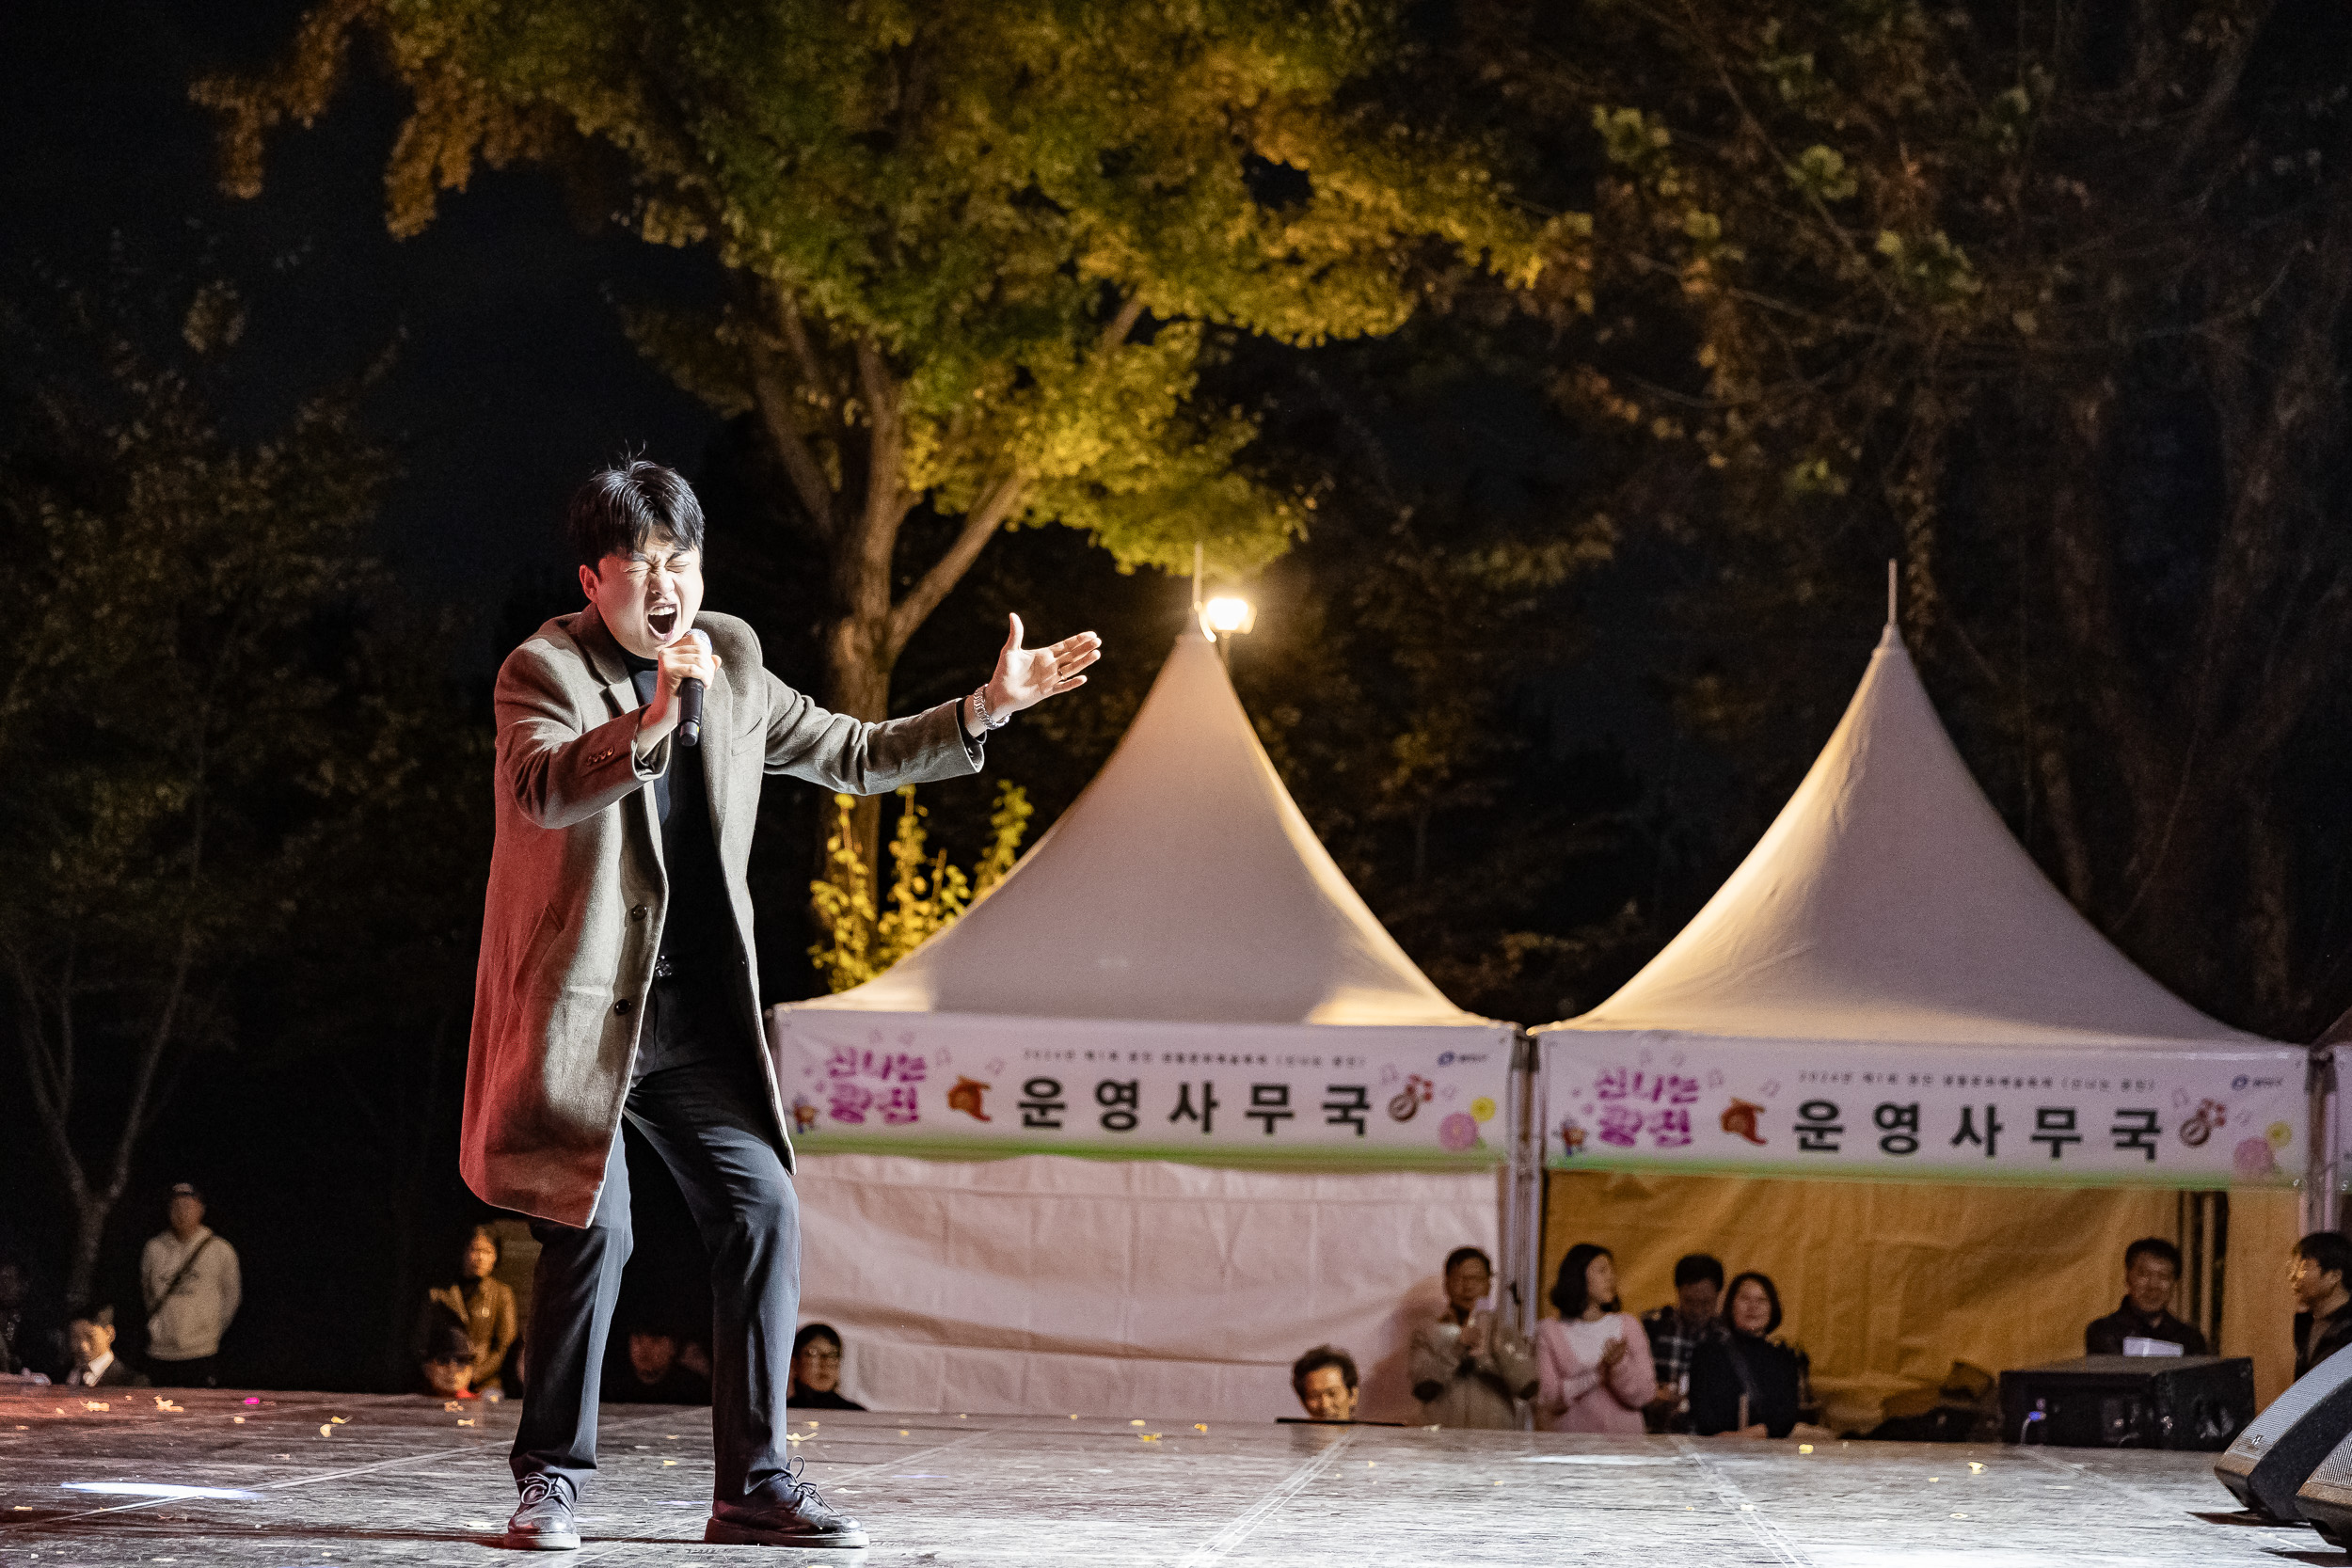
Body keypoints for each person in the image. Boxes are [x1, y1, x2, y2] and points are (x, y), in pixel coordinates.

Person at [470, 461, 1101, 1552]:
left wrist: (991, 704)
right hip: (579, 1021)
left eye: (682, 561)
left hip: (688, 1022)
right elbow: (544, 787)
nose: (666, 585)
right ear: (594, 578)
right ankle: (552, 1480)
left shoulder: (737, 662)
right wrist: (660, 713)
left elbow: (854, 756)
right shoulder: (546, 668)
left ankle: (753, 1483)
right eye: (640, 567)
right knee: (593, 1226)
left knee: (762, 1205)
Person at [1408, 1246, 1536, 1429]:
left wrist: (1500, 1353)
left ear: (1489, 1285)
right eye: (1460, 1278)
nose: (1468, 1287)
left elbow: (1529, 1388)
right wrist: (1457, 1349)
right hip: (1443, 1444)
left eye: (1476, 1279)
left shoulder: (1505, 1332)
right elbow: (1423, 1388)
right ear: (1447, 1284)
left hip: (1493, 1442)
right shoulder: (1428, 1332)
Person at [1534, 1243, 1655, 1433]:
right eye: (1602, 1270)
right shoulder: (1550, 1331)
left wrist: (1618, 1366)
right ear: (1578, 1276)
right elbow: (1548, 1397)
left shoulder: (1627, 1325)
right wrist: (1596, 1376)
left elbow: (1645, 1394)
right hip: (1572, 1449)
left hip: (1624, 1449)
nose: (1611, 1278)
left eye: (1612, 1271)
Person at [140, 1182, 241, 1387]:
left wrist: (209, 1332)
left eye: (188, 1207)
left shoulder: (221, 1250)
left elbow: (231, 1297)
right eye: (176, 1207)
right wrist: (159, 1327)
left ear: (201, 1209)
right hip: (160, 1352)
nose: (182, 1213)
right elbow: (147, 1293)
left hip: (202, 1352)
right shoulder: (154, 1248)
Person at [1689, 1272, 1804, 1438]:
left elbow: (1786, 1416)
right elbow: (1702, 1412)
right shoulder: (1707, 1354)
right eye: (1745, 1299)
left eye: (1762, 1300)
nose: (1753, 1307)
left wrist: (1751, 1435)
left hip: (1770, 1456)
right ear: (1731, 1304)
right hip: (1718, 1453)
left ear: (1773, 1307)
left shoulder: (1784, 1357)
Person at [418, 1227, 520, 1398]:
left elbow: (505, 1347)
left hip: (485, 1383)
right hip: (443, 1380)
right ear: (462, 1252)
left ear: (495, 1256)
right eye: (474, 1250)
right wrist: (437, 1372)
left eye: (487, 1252)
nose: (480, 1257)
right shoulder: (438, 1294)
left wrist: (472, 1374)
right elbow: (420, 1342)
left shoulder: (502, 1294)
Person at [1641, 1253, 1725, 1432]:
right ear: (1678, 1292)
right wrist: (1653, 1395)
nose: (1697, 1310)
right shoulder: (1653, 1326)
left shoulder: (1726, 1336)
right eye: (1690, 1301)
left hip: (1711, 1442)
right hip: (1659, 1435)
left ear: (1719, 1295)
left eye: (1706, 1303)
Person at [2084, 1237, 2209, 1356]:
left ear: (2174, 1284)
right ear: (2127, 1278)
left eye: (2163, 1276)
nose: (2153, 1285)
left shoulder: (2190, 1338)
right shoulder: (2104, 1331)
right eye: (2143, 1274)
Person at [2294, 1231, 2352, 1380]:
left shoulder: (2348, 1328)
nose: (2294, 1276)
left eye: (2304, 1267)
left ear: (2334, 1276)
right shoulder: (2304, 1323)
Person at [606, 1329, 713, 1404]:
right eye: (638, 1337)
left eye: (655, 1340)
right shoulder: (613, 1385)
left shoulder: (691, 1387)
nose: (645, 1348)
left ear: (673, 1346)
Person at [62, 1307, 148, 1389]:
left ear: (109, 1334)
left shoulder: (133, 1382)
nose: (82, 1346)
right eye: (75, 1337)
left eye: (90, 1336)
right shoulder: (65, 1375)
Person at [788, 1324, 866, 1411]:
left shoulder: (857, 1416)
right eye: (813, 1353)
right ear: (794, 1363)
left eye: (832, 1354)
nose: (825, 1363)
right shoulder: (781, 1414)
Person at [1291, 1345, 1361, 1421]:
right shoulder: (1283, 1432)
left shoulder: (1373, 1433)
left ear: (1353, 1395)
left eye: (1332, 1394)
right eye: (1315, 1396)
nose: (1325, 1405)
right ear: (1303, 1403)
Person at [421, 1313, 480, 1399]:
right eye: (443, 1360)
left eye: (462, 1360)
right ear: (427, 1369)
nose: (452, 1369)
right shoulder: (412, 1406)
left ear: (471, 1370)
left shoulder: (482, 1407)